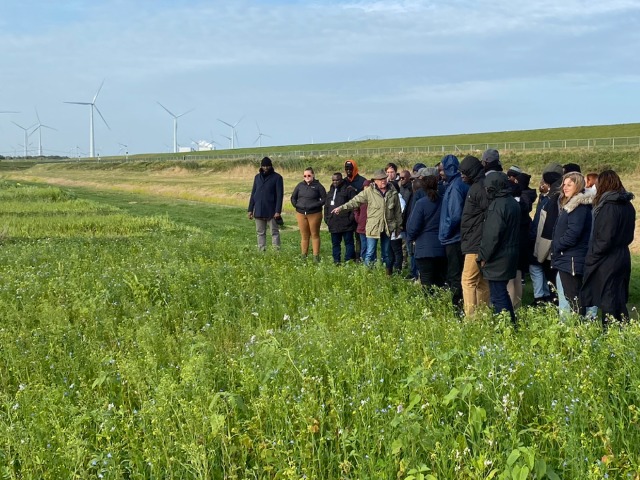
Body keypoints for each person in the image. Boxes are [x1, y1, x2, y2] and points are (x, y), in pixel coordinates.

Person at [581, 170, 636, 326]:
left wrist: (592, 256)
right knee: (618, 297)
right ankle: (622, 330)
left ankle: (610, 334)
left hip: (608, 258)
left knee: (608, 298)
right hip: (623, 254)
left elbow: (605, 238)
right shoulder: (627, 205)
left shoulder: (609, 206)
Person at [332, 169, 403, 274]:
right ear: (375, 181)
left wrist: (399, 227)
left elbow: (397, 212)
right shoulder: (368, 192)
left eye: (384, 178)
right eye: (380, 179)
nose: (383, 181)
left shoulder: (393, 192)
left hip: (388, 227)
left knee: (387, 253)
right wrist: (341, 208)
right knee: (370, 252)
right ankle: (367, 274)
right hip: (373, 228)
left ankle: (388, 275)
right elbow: (354, 202)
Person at [477, 172, 521, 326]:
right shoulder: (512, 202)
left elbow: (491, 236)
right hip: (511, 253)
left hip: (498, 256)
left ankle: (505, 328)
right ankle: (511, 324)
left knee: (498, 295)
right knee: (502, 292)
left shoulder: (496, 206)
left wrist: (482, 256)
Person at [551, 172, 593, 315]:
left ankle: (578, 332)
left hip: (572, 259)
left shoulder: (578, 207)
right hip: (567, 257)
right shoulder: (571, 205)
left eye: (570, 184)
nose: (565, 187)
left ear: (579, 186)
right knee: (571, 297)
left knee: (574, 299)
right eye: (564, 184)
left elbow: (573, 234)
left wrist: (557, 246)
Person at [459, 155, 490, 317]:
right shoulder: (481, 186)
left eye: (464, 172)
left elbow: (487, 216)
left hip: (475, 242)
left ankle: (471, 319)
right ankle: (483, 317)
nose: (462, 175)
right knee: (483, 282)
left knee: (468, 281)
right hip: (479, 241)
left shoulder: (477, 189)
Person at [438, 154, 470, 310]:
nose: (441, 173)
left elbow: (455, 215)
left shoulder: (455, 187)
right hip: (459, 236)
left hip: (454, 238)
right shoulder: (458, 184)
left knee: (454, 275)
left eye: (442, 170)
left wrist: (446, 232)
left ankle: (457, 308)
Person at [406, 174, 446, 290]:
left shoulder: (421, 203)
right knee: (440, 281)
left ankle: (428, 306)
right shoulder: (444, 201)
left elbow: (413, 227)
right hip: (442, 247)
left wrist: (411, 238)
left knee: (426, 283)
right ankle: (441, 305)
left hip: (424, 249)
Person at [248, 156, 284, 251]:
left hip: (271, 210)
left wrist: (277, 211)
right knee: (260, 232)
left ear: (271, 166)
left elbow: (280, 196)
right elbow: (253, 194)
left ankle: (276, 252)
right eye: (264, 166)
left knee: (274, 232)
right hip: (258, 210)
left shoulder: (277, 178)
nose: (265, 168)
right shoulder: (257, 177)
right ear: (261, 166)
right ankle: (261, 251)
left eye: (267, 166)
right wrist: (250, 209)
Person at [291, 167, 327, 261]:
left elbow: (324, 199)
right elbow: (293, 197)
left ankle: (316, 257)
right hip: (301, 213)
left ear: (313, 175)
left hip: (314, 213)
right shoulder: (299, 185)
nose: (307, 177)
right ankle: (304, 256)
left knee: (314, 234)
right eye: (305, 176)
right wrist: (297, 205)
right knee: (304, 236)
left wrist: (315, 205)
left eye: (309, 175)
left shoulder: (318, 186)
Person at [324, 172, 356, 264]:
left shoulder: (349, 190)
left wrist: (350, 219)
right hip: (333, 223)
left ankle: (348, 261)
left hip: (347, 223)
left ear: (341, 180)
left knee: (349, 243)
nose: (335, 182)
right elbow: (326, 206)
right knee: (335, 244)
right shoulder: (330, 191)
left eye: (337, 180)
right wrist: (327, 219)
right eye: (333, 180)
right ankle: (336, 261)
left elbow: (354, 205)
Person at [354, 179, 373, 263]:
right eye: (365, 187)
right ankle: (364, 262)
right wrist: (358, 218)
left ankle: (371, 262)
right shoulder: (360, 197)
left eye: (368, 186)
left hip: (372, 226)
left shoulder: (374, 197)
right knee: (364, 245)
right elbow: (355, 208)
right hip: (362, 226)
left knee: (371, 246)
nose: (366, 188)